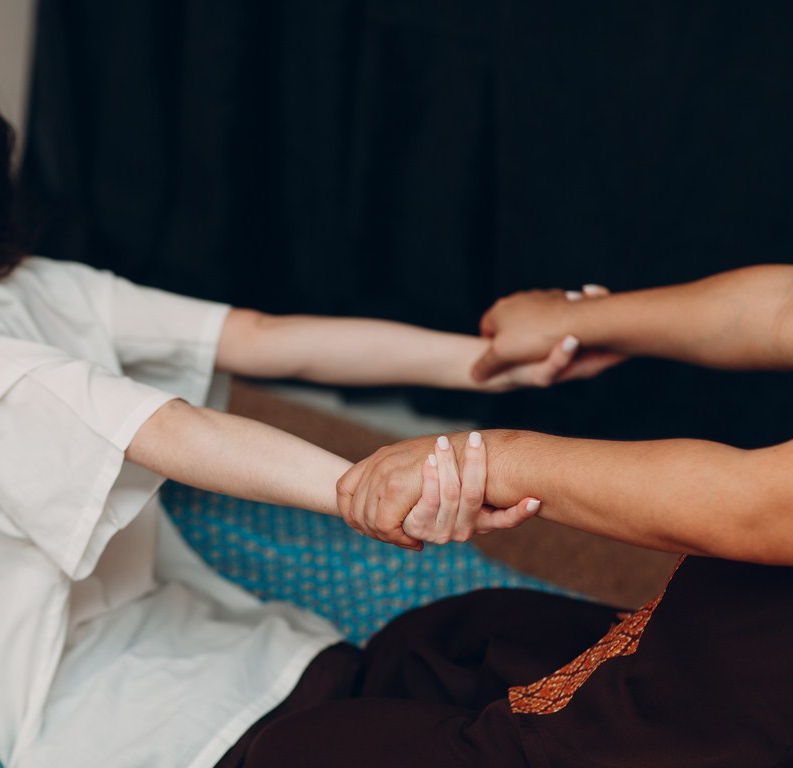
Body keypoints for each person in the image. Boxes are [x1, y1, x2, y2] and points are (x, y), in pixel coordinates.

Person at [0, 47, 591, 767]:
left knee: (496, 652)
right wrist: (484, 368)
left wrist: (384, 466)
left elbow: (183, 414)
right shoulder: (20, 294)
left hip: (177, 716)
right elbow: (264, 339)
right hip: (213, 708)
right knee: (520, 679)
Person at [329, 268, 793, 766]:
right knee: (431, 646)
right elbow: (781, 306)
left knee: (304, 748)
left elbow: (757, 507)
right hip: (718, 622)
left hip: (740, 718)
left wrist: (494, 461)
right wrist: (576, 318)